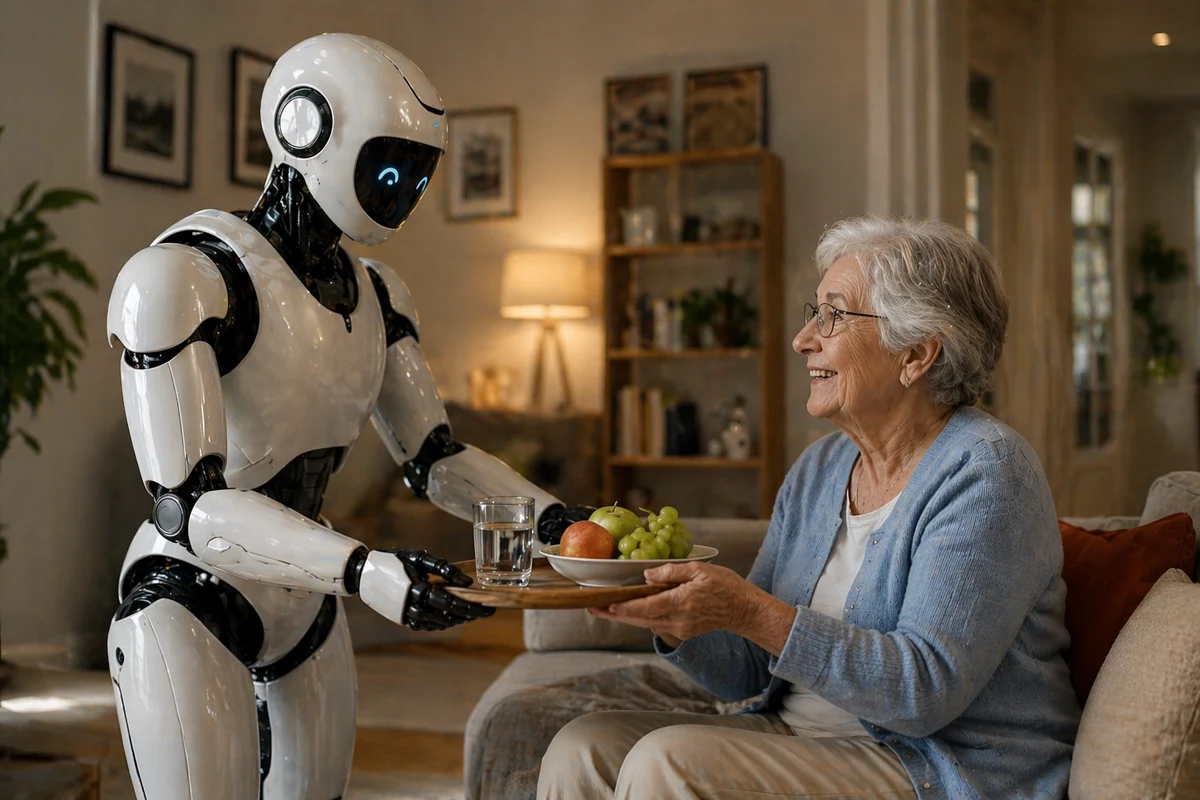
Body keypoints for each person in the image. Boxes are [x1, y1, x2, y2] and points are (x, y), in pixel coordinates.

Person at [105, 33, 591, 799]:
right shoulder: (184, 279)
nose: (402, 193)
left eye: (417, 175)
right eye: (388, 167)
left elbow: (434, 457)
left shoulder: (379, 295)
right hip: (193, 592)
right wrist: (366, 570)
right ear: (306, 127)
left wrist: (555, 521)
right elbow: (187, 507)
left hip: (307, 596)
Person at [537, 216, 1081, 800]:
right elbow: (747, 671)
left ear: (916, 354)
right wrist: (668, 615)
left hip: (933, 764)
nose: (802, 340)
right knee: (583, 745)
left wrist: (752, 612)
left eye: (833, 316)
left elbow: (922, 693)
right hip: (800, 738)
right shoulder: (821, 468)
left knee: (667, 761)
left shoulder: (986, 471)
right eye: (813, 313)